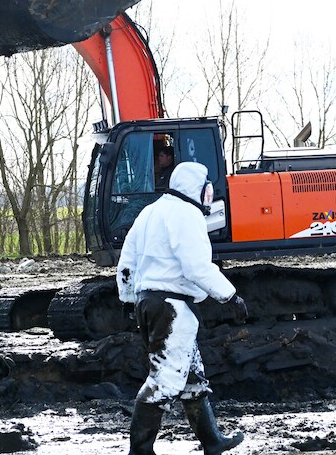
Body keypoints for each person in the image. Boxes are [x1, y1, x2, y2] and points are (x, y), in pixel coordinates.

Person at [117, 161, 248, 455]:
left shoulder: (150, 212)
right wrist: (230, 296)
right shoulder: (187, 214)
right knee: (163, 381)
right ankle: (140, 451)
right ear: (198, 188)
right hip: (172, 308)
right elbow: (196, 266)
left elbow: (127, 261)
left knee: (191, 379)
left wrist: (128, 299)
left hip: (148, 302)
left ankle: (212, 441)